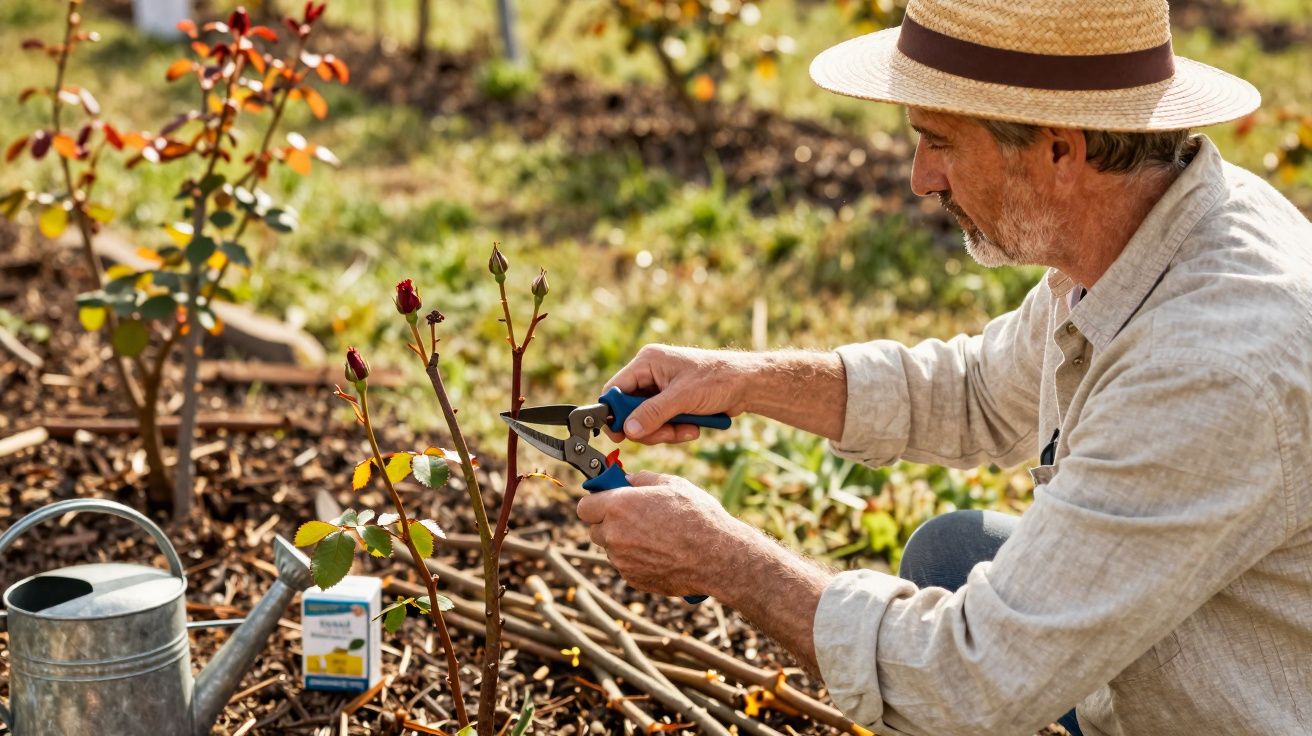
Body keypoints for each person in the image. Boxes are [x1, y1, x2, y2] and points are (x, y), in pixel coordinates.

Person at [574, 0, 1312, 734]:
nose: (921, 178)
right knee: (952, 551)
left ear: (1059, 149)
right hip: (1168, 647)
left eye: (939, 141)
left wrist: (727, 562)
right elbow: (979, 393)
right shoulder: (1148, 227)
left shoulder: (1207, 368)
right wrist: (746, 379)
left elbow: (970, 680)